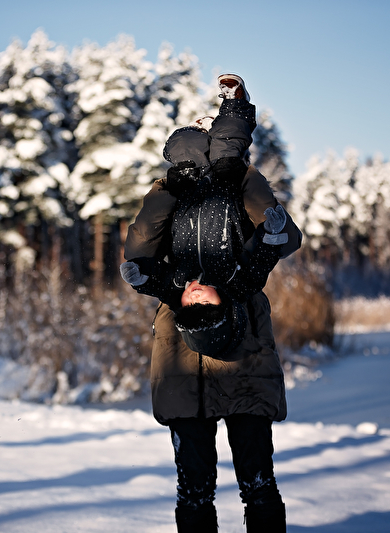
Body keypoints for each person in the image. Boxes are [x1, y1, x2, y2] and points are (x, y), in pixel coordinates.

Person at [121, 74, 302, 533]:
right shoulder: (170, 194)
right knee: (193, 488)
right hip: (181, 353)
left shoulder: (240, 185)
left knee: (258, 483)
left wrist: (241, 173)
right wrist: (167, 188)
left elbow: (285, 237)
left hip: (244, 346)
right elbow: (137, 250)